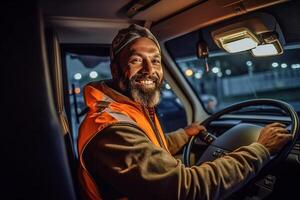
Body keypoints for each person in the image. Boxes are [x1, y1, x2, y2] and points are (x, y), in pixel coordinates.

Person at [77, 24, 292, 200]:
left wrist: (183, 135)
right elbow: (188, 189)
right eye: (136, 60)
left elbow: (147, 149)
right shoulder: (110, 129)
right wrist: (260, 150)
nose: (150, 70)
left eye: (155, 60)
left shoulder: (125, 110)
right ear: (115, 69)